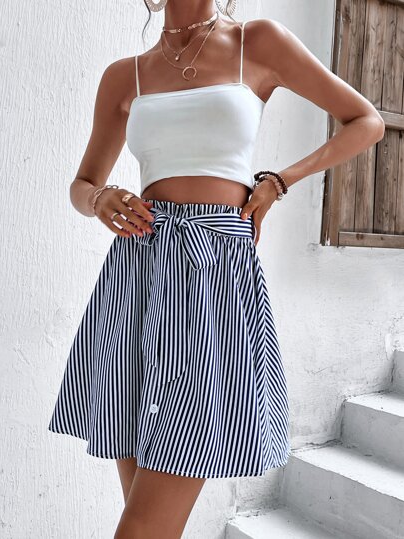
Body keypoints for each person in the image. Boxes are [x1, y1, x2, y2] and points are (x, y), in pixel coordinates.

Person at [48, 1, 385, 537]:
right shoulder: (124, 75)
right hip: (135, 279)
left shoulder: (259, 41)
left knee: (143, 525)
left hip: (215, 280)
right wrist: (99, 199)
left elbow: (366, 121)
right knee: (148, 518)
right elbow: (83, 183)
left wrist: (280, 181)